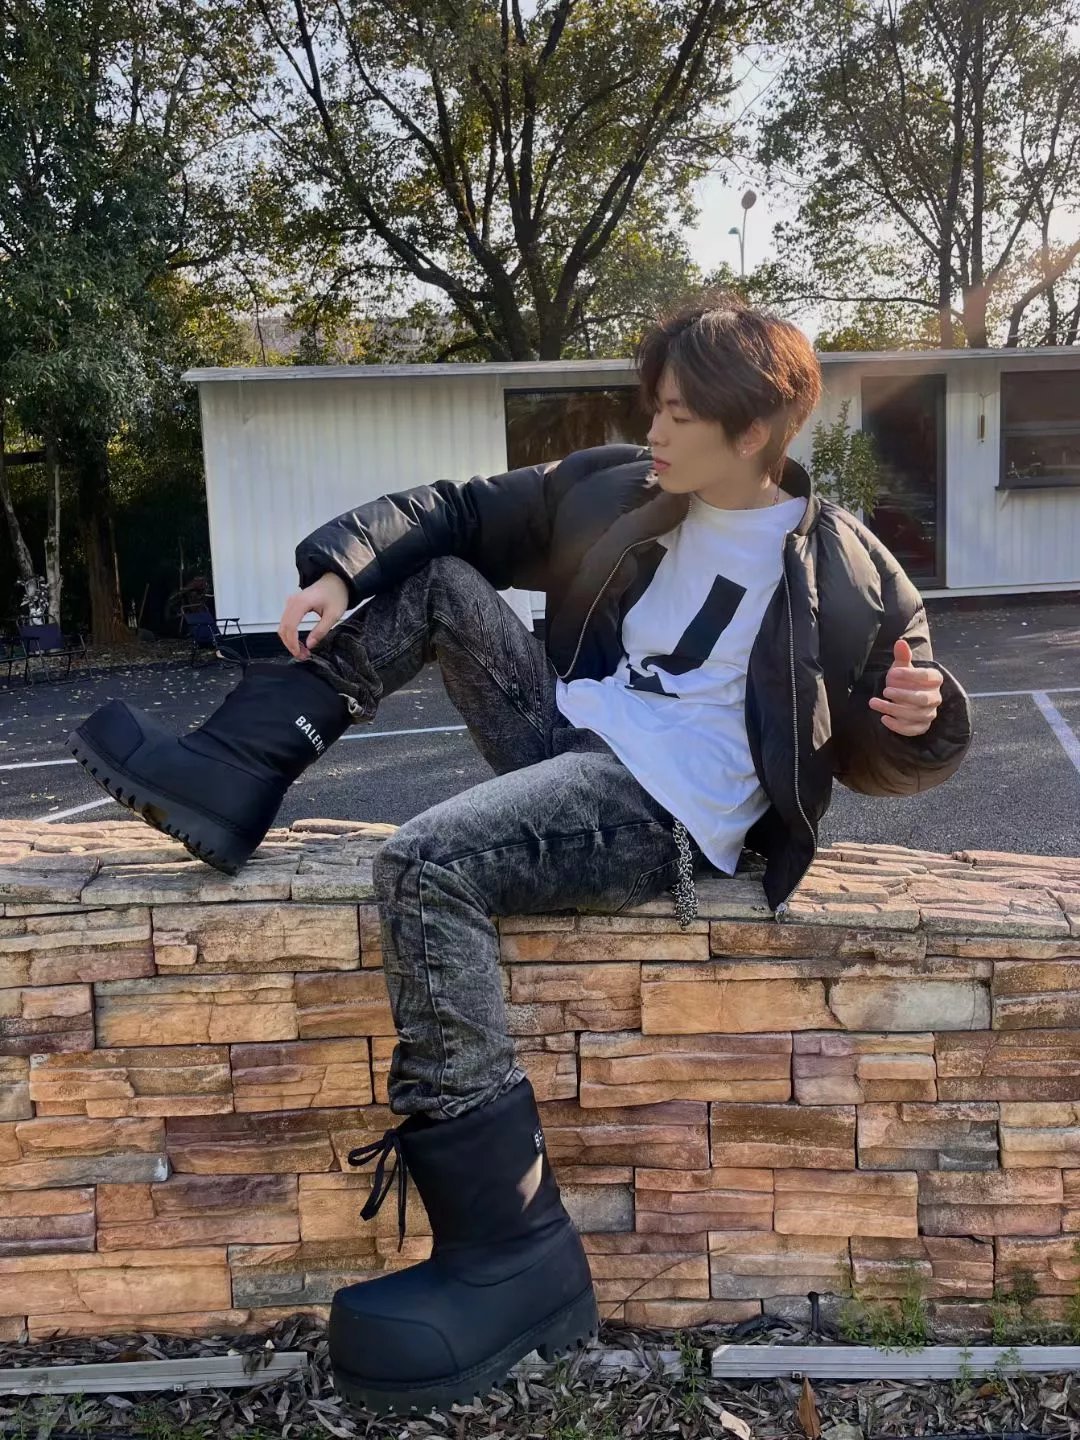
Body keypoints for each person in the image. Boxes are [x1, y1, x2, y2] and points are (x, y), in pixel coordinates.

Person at [67, 290, 972, 1414]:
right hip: (570, 731)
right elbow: (460, 513)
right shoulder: (625, 488)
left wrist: (922, 714)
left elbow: (898, 745)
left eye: (679, 414)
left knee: (426, 864)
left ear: (755, 432)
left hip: (666, 807)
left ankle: (510, 1248)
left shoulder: (850, 569)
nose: (654, 428)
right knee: (443, 583)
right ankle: (233, 771)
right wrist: (342, 569)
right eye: (655, 405)